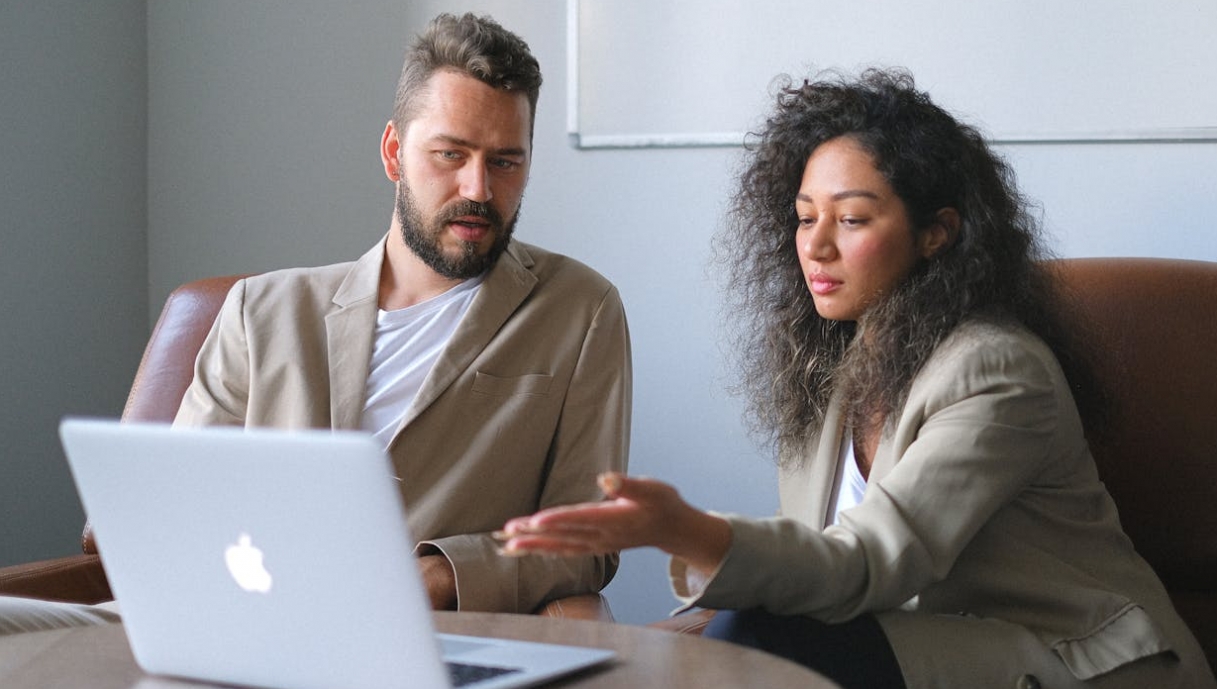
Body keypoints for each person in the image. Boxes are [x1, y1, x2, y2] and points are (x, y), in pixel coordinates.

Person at [499, 69, 1215, 688]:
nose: (814, 243)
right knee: (718, 639)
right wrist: (647, 644)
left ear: (935, 232)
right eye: (804, 216)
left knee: (766, 642)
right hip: (931, 645)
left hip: (1078, 662)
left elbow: (868, 561)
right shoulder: (831, 367)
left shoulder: (997, 370)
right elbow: (810, 567)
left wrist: (685, 529)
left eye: (850, 218)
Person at [0, 12, 629, 633]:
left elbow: (588, 539)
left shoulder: (578, 310)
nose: (479, 188)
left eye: (505, 162)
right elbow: (175, 506)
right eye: (450, 154)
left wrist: (436, 576)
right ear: (394, 153)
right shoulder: (260, 310)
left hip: (402, 638)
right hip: (206, 614)